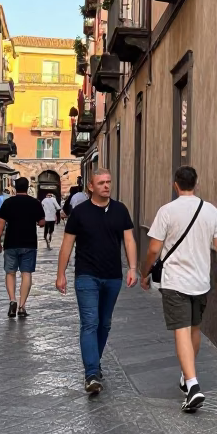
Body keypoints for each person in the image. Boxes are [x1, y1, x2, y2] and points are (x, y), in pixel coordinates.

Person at [141, 166, 217, 413]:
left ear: (175, 185)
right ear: (196, 183)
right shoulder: (210, 211)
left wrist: (144, 271)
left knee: (181, 330)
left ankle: (192, 385)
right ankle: (185, 375)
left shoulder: (167, 211)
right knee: (194, 329)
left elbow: (153, 249)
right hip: (200, 282)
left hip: (175, 282)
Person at [56, 169, 138, 394]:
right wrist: (60, 273)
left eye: (108, 182)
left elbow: (129, 240)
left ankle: (95, 362)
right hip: (86, 275)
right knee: (90, 323)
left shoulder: (120, 210)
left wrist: (132, 268)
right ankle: (91, 372)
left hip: (113, 276)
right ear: (91, 187)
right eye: (101, 183)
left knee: (105, 323)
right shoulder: (79, 212)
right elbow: (67, 244)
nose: (106, 186)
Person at [0, 178, 45, 319]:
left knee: (10, 273)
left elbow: (0, 223)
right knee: (26, 273)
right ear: (28, 188)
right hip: (29, 243)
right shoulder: (35, 203)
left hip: (11, 242)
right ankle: (22, 306)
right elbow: (41, 222)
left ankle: (12, 300)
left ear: (15, 188)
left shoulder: (8, 202)